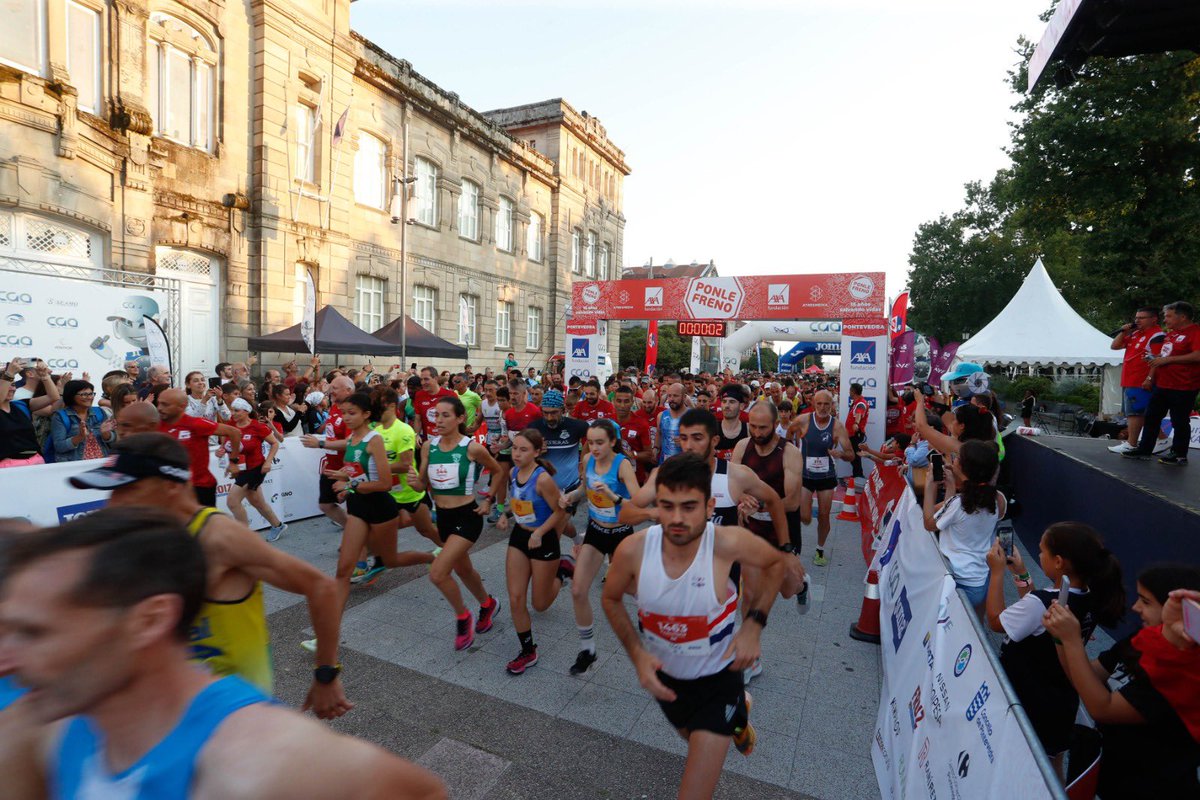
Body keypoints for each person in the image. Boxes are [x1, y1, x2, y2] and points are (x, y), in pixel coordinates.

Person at [0, 506, 448, 799]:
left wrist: (326, 671)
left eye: (35, 632)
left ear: (149, 621)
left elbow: (422, 792)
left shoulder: (263, 764)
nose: (7, 660)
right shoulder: (44, 728)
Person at [79, 434, 351, 716]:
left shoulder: (218, 536)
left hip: (234, 716)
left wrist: (326, 674)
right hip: (169, 709)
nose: (113, 503)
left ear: (170, 486)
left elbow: (321, 587)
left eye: (126, 489)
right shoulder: (148, 536)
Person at [601, 454, 786, 798]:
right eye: (667, 506)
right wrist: (638, 656)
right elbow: (610, 598)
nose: (676, 518)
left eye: (689, 507)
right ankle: (740, 715)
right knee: (689, 734)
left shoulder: (727, 542)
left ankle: (733, 711)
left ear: (709, 506)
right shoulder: (633, 550)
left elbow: (776, 564)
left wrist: (753, 626)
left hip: (719, 680)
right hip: (668, 683)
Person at [985, 522, 1126, 762]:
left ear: (1058, 562)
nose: (1039, 555)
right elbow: (1037, 610)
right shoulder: (1090, 597)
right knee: (1053, 760)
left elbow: (996, 622)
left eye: (1042, 551)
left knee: (1027, 763)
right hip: (1060, 699)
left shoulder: (1043, 602)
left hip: (1029, 698)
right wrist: (1021, 573)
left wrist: (997, 574)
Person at [1044, 582, 1200, 797]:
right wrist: (1060, 638)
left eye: (1146, 601)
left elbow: (1102, 708)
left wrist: (1071, 640)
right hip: (1114, 773)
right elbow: (1084, 676)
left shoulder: (1179, 678)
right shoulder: (1140, 640)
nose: (1135, 607)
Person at [311, 393, 435, 650]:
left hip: (380, 508)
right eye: (344, 412)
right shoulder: (352, 439)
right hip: (358, 507)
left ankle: (432, 558)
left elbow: (385, 483)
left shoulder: (374, 440)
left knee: (391, 560)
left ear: (367, 414)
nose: (346, 417)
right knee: (343, 570)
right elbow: (356, 468)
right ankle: (326, 636)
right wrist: (342, 476)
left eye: (352, 413)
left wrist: (350, 484)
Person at [408, 395, 503, 649]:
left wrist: (488, 500)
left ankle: (463, 617)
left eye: (445, 415)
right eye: (436, 415)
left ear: (460, 418)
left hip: (467, 516)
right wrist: (414, 482)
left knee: (438, 573)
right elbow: (422, 484)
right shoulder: (428, 447)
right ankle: (488, 604)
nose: (438, 420)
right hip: (444, 518)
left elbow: (497, 471)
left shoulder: (471, 448)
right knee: (463, 570)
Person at [559, 419, 640, 676]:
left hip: (620, 533)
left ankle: (648, 611)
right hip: (596, 530)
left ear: (613, 441)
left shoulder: (622, 464)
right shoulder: (588, 460)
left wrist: (613, 496)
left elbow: (638, 502)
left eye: (600, 443)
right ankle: (588, 649)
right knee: (578, 590)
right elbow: (584, 488)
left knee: (631, 588)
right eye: (590, 442)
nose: (593, 448)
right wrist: (570, 496)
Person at [496, 428, 570, 674]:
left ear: (537, 452)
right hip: (520, 536)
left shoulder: (543, 479)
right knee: (516, 598)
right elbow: (519, 503)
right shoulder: (513, 472)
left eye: (524, 450)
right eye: (515, 448)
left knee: (540, 604)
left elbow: (560, 511)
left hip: (543, 540)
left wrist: (539, 533)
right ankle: (528, 651)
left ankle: (562, 572)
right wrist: (506, 515)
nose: (516, 454)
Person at [923, 440, 1005, 609]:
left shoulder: (958, 503)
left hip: (957, 583)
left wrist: (929, 486)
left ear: (964, 467)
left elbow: (929, 524)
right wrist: (952, 485)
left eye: (957, 457)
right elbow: (953, 518)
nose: (953, 460)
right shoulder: (997, 500)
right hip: (979, 581)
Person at [1126, 300, 1200, 466]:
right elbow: (1165, 355)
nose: (1165, 320)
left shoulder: (1195, 332)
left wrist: (1167, 360)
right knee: (1151, 417)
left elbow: (1198, 355)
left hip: (1184, 385)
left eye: (1168, 316)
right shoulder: (1171, 334)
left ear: (1182, 317)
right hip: (1163, 384)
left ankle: (1179, 454)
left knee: (1179, 420)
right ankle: (1144, 449)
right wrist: (1154, 359)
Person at [788, 389, 855, 566]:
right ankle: (807, 510)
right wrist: (791, 451)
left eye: (827, 404)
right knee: (805, 517)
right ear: (813, 404)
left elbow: (851, 454)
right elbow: (789, 433)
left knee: (824, 515)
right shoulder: (803, 420)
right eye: (819, 403)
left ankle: (820, 549)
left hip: (826, 476)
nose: (823, 407)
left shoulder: (837, 426)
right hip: (805, 474)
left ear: (832, 405)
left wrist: (841, 454)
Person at [732, 402, 803, 556]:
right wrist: (742, 497)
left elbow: (793, 502)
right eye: (753, 426)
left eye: (763, 428)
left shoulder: (790, 453)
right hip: (750, 532)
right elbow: (731, 485)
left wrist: (759, 506)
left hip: (782, 534)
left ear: (775, 424)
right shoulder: (742, 447)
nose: (757, 433)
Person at [157, 388, 242, 508]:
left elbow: (234, 432)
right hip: (171, 490)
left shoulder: (195, 424)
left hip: (200, 487)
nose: (160, 408)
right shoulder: (156, 426)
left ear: (182, 406)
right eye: (159, 403)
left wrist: (233, 461)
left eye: (165, 405)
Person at [528, 389, 589, 543]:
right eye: (546, 413)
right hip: (545, 490)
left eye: (554, 413)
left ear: (563, 410)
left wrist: (584, 462)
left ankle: (553, 557)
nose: (549, 418)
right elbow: (522, 458)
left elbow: (597, 438)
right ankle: (577, 540)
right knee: (558, 524)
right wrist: (535, 452)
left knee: (553, 531)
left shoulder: (576, 426)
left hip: (570, 489)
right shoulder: (533, 428)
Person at [223, 398, 287, 540]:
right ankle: (277, 525)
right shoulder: (232, 424)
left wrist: (268, 462)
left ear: (246, 411)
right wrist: (224, 452)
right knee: (257, 502)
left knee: (232, 501)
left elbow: (275, 443)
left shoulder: (257, 426)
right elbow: (229, 443)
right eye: (232, 410)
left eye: (236, 410)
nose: (233, 413)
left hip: (256, 468)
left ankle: (244, 537)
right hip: (242, 469)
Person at [300, 375, 355, 529]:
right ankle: (352, 531)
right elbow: (332, 434)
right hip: (332, 466)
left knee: (355, 509)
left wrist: (320, 444)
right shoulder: (335, 406)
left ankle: (358, 536)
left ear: (348, 390)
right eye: (330, 388)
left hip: (349, 468)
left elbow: (351, 443)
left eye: (335, 388)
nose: (331, 391)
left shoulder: (353, 411)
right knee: (325, 504)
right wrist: (328, 458)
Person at [1108, 307, 1164, 453]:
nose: (1137, 320)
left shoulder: (1157, 335)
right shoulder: (1136, 333)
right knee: (1140, 413)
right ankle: (1162, 439)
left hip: (1141, 380)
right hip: (1130, 378)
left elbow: (1158, 359)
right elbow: (1114, 346)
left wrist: (1149, 378)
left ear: (1153, 319)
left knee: (1135, 413)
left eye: (1141, 318)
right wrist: (1123, 332)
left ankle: (1131, 443)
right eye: (1136, 317)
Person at [0, 359, 61, 468]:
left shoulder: (21, 405)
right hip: (7, 466)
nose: (11, 388)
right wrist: (9, 374)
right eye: (7, 384)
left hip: (36, 461)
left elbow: (53, 397)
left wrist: (45, 376)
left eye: (13, 384)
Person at [50, 379, 116, 462]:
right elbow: (59, 447)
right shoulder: (60, 416)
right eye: (84, 394)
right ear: (71, 395)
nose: (89, 397)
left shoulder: (99, 412)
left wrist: (105, 434)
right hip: (74, 465)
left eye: (91, 394)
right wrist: (79, 437)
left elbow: (113, 442)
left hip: (101, 463)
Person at [613, 384, 654, 483]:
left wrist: (632, 454)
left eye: (626, 401)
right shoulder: (607, 421)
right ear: (614, 401)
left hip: (635, 479)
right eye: (619, 401)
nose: (622, 405)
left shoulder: (641, 424)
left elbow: (649, 454)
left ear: (632, 402)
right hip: (612, 478)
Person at [411, 367, 458, 441]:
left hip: (448, 440)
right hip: (428, 441)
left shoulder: (450, 395)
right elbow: (418, 419)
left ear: (436, 379)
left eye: (426, 379)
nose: (423, 383)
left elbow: (459, 417)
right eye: (421, 380)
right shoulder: (419, 395)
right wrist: (416, 435)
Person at [714, 385, 748, 461]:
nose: (727, 405)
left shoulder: (749, 430)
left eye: (732, 402)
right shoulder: (712, 429)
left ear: (741, 406)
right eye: (724, 401)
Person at [655, 383, 687, 463]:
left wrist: (685, 441)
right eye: (669, 396)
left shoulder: (692, 416)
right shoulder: (661, 416)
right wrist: (655, 449)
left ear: (684, 397)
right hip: (665, 464)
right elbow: (659, 434)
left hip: (685, 465)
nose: (672, 399)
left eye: (675, 396)